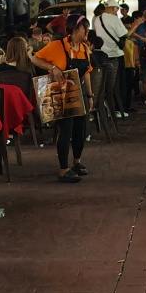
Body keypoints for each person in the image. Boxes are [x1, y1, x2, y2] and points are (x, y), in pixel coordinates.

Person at [32, 16, 95, 183]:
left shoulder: (84, 48)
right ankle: (63, 168)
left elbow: (87, 72)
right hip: (60, 94)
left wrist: (90, 95)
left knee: (80, 129)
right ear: (74, 30)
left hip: (78, 92)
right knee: (66, 130)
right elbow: (34, 58)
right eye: (84, 29)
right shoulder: (57, 46)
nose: (87, 32)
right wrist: (52, 68)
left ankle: (77, 162)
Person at [93, 0, 128, 120]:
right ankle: (114, 110)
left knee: (100, 85)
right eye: (116, 9)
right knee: (113, 86)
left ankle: (102, 107)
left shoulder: (97, 19)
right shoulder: (114, 19)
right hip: (114, 55)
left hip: (100, 55)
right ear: (114, 8)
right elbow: (124, 34)